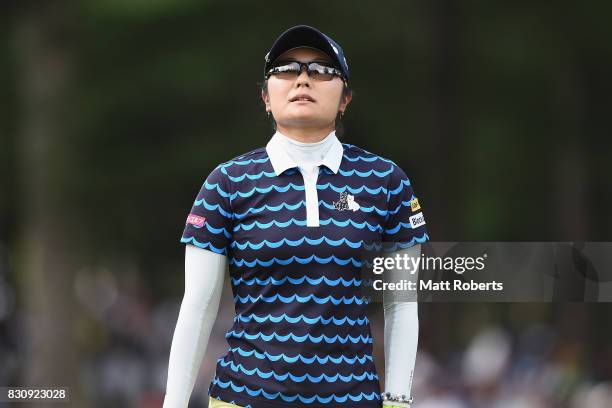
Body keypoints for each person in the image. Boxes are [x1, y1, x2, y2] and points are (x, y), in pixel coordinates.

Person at [163, 25, 429, 408]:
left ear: (345, 99)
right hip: (244, 397)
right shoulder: (228, 182)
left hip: (351, 399)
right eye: (286, 69)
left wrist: (399, 399)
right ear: (265, 98)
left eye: (322, 71)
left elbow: (401, 303)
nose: (303, 78)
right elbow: (198, 305)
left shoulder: (385, 182)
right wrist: (173, 403)